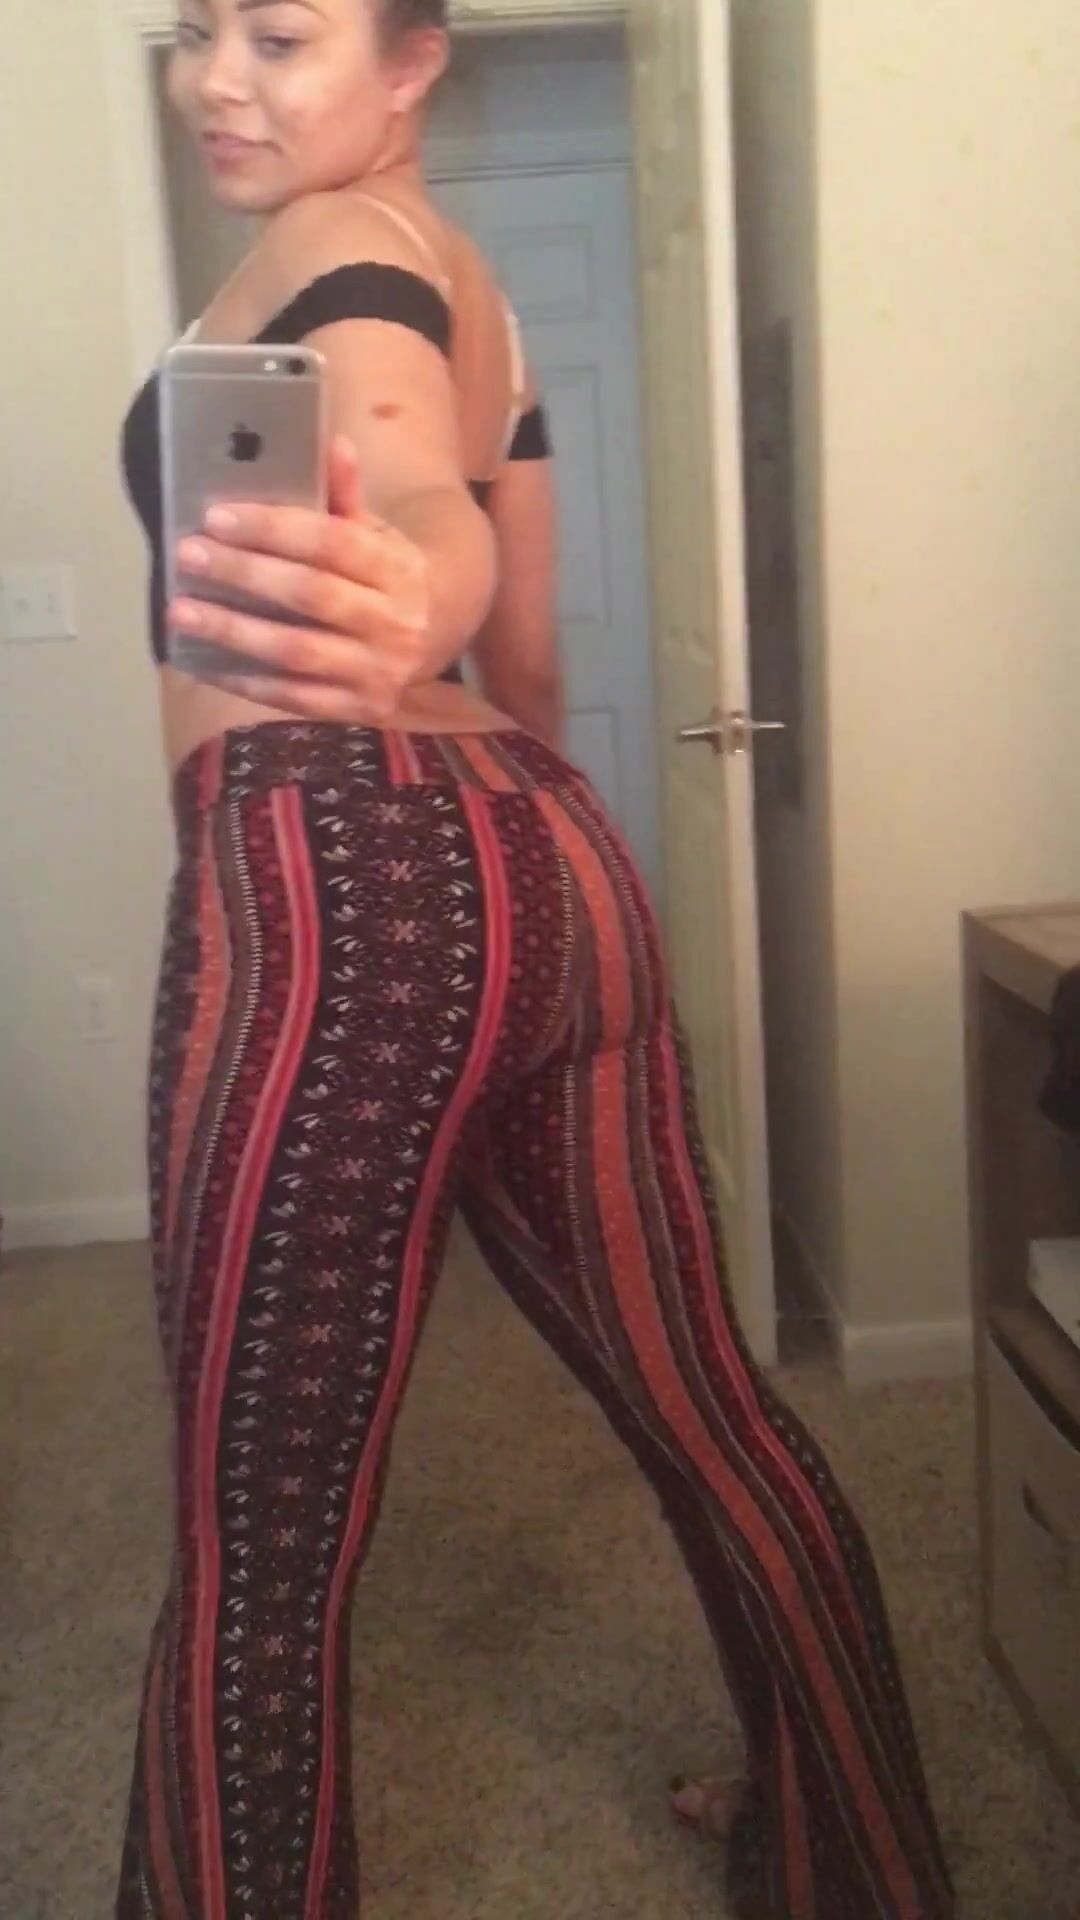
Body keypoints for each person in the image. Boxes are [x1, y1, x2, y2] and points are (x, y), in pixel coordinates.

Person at [117, 3, 954, 1916]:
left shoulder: (333, 250)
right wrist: (516, 871)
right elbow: (536, 662)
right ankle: (861, 1867)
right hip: (550, 858)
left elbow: (420, 500)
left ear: (413, 62)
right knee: (717, 1417)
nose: (218, 77)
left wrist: (414, 569)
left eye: (281, 34)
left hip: (334, 879)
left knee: (257, 1550)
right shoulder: (474, 292)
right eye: (192, 28)